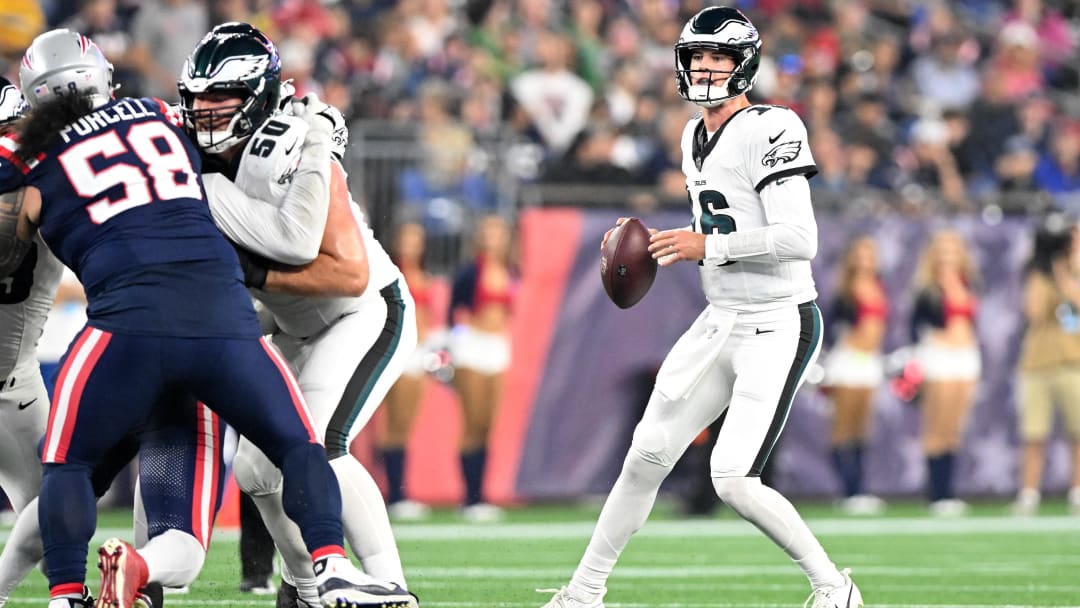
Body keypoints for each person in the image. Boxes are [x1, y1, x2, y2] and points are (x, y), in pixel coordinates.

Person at [1, 28, 412, 608]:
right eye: (201, 98)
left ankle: (69, 594)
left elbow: (336, 267)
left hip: (127, 332)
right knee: (296, 448)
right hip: (222, 325)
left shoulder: (29, 155)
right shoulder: (157, 116)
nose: (206, 110)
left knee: (69, 470)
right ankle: (330, 566)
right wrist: (321, 137)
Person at [541, 8, 862, 608]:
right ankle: (583, 593)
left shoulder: (773, 127)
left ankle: (834, 588)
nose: (705, 67)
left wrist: (705, 244)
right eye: (696, 57)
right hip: (721, 317)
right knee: (645, 455)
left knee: (733, 478)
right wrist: (659, 243)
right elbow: (718, 218)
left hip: (778, 318)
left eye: (717, 56)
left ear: (743, 64)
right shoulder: (692, 135)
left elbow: (799, 239)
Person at [177, 22, 418, 607]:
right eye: (199, 97)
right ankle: (307, 587)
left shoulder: (290, 145)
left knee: (319, 445)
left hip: (363, 312)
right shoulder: (195, 154)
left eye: (222, 97)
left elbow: (347, 274)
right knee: (257, 470)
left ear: (257, 96)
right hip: (291, 323)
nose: (206, 111)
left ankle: (391, 583)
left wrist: (253, 276)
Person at [449, 214, 516, 522]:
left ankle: (482, 495)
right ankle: (469, 497)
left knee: (488, 424)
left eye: (498, 231)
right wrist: (458, 342)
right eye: (488, 231)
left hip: (497, 346)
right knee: (472, 421)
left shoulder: (511, 269)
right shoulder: (469, 271)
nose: (493, 237)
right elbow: (454, 311)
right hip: (472, 345)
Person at [909, 229, 981, 517]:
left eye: (953, 248)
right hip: (939, 358)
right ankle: (936, 493)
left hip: (966, 357)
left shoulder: (969, 283)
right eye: (942, 248)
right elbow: (916, 328)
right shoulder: (926, 288)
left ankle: (949, 492)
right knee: (937, 426)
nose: (948, 254)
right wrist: (938, 339)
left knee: (953, 428)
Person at [1013, 216, 1080, 515]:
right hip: (1038, 364)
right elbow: (1034, 312)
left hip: (1072, 361)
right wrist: (1042, 269)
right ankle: (1029, 493)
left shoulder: (1074, 273)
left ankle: (1077, 491)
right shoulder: (1037, 275)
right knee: (1034, 433)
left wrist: (1066, 271)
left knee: (1078, 433)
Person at [822, 237, 888, 515]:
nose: (866, 260)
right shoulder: (844, 291)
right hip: (847, 361)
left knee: (862, 428)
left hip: (868, 362)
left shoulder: (880, 288)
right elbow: (834, 324)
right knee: (844, 427)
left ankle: (859, 489)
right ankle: (847, 490)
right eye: (860, 254)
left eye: (870, 254)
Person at [381, 221, 436, 521]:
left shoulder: (424, 275)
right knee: (395, 425)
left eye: (416, 238)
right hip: (400, 350)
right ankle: (396, 494)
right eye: (406, 237)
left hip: (420, 353)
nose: (411, 244)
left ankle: (400, 491)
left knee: (407, 425)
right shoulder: (390, 272)